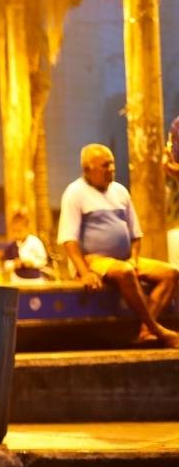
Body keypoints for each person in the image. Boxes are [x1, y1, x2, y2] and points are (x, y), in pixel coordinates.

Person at [58, 144, 179, 346]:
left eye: (112, 164)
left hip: (123, 259)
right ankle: (158, 330)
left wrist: (134, 258)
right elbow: (69, 240)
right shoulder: (75, 193)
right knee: (125, 272)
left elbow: (135, 234)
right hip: (93, 260)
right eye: (105, 165)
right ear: (88, 169)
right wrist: (84, 272)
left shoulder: (120, 191)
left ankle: (146, 330)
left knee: (171, 273)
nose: (111, 169)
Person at [3, 210, 49, 282]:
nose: (16, 234)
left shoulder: (35, 242)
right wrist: (14, 264)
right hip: (18, 280)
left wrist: (32, 263)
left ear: (27, 229)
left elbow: (43, 261)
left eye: (19, 231)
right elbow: (6, 265)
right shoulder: (11, 246)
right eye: (14, 231)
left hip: (35, 280)